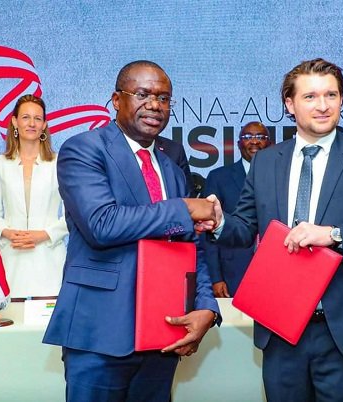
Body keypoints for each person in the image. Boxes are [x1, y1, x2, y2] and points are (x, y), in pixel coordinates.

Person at [201, 58, 343, 401]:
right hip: (280, 329)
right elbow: (244, 229)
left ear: (341, 100)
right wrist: (220, 222)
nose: (323, 105)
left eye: (331, 95)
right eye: (310, 96)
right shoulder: (266, 161)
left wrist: (333, 234)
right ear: (290, 104)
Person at [43, 60, 221, 402]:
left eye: (164, 98)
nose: (154, 105)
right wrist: (183, 208)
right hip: (99, 333)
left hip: (163, 331)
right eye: (142, 94)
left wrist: (205, 306)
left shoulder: (171, 165)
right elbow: (102, 225)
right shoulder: (84, 149)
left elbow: (191, 246)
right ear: (116, 100)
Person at [0, 94, 68, 299]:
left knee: (48, 318)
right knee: (11, 317)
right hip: (11, 256)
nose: (31, 123)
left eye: (37, 118)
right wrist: (7, 232)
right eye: (25, 117)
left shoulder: (60, 163)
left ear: (44, 125)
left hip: (49, 258)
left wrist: (44, 235)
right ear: (14, 122)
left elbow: (72, 215)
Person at [202, 121, 271, 297]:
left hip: (274, 270)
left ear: (270, 143)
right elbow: (208, 231)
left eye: (260, 136)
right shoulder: (218, 177)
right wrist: (216, 278)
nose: (254, 141)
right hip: (232, 271)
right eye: (247, 137)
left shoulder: (282, 177)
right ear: (239, 144)